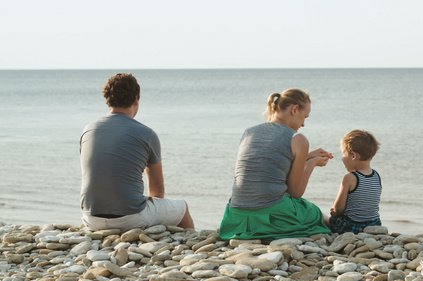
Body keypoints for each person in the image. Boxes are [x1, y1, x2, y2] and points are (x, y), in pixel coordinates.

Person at [80, 73, 194, 232]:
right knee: (182, 208)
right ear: (135, 99)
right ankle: (192, 249)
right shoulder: (146, 134)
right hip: (129, 218)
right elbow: (157, 191)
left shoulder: (89, 129)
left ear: (108, 99)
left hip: (91, 218)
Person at [219, 88, 333, 240]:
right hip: (273, 214)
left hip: (237, 216)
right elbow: (295, 192)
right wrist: (312, 163)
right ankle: (337, 224)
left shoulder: (249, 132)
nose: (303, 124)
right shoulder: (298, 139)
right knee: (311, 210)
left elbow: (268, 165)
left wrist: (306, 155)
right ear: (294, 109)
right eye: (304, 117)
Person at [329, 130, 382, 234]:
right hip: (374, 225)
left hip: (353, 227)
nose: (342, 158)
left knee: (322, 217)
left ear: (353, 155)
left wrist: (334, 210)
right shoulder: (376, 175)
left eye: (343, 154)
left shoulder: (349, 178)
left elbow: (339, 209)